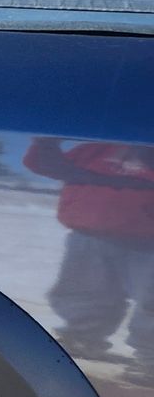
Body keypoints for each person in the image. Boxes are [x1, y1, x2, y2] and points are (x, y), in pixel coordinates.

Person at [23, 138, 154, 367]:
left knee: (150, 299)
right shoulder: (97, 146)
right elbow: (43, 164)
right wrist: (46, 141)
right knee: (85, 292)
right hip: (89, 235)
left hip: (147, 242)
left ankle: (150, 358)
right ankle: (81, 339)